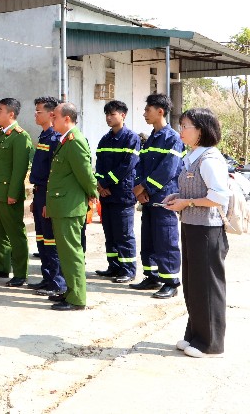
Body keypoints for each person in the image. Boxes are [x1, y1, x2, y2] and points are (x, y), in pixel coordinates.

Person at [162, 108, 229, 358]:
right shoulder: (192, 157)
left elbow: (219, 197)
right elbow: (197, 191)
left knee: (208, 286)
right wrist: (179, 197)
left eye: (185, 126)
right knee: (193, 285)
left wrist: (187, 203)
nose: (181, 130)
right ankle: (196, 335)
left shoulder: (210, 159)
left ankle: (211, 343)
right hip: (192, 226)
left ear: (200, 130)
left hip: (208, 230)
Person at [130, 94, 184, 299]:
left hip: (164, 197)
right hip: (148, 197)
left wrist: (144, 188)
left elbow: (168, 169)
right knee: (150, 237)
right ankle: (152, 276)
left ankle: (170, 281)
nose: (145, 114)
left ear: (160, 111)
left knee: (165, 237)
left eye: (147, 110)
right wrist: (140, 187)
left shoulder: (173, 138)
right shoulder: (151, 137)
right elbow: (140, 165)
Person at [45, 102, 98, 311]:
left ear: (67, 119)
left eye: (55, 117)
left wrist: (93, 193)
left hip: (69, 206)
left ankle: (77, 298)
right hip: (63, 205)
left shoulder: (75, 141)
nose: (52, 120)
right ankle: (70, 290)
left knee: (71, 252)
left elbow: (85, 173)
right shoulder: (66, 140)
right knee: (65, 253)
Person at [0, 98, 33, 286]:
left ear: (11, 114)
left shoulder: (20, 137)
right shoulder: (1, 135)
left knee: (15, 233)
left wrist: (13, 193)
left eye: (0, 110)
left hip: (8, 193)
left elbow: (19, 169)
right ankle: (2, 267)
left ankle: (20, 273)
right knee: (0, 232)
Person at [93, 100, 141, 284]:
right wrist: (99, 184)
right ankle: (113, 266)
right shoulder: (104, 139)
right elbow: (99, 165)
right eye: (107, 114)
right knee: (110, 232)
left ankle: (128, 269)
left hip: (122, 194)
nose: (109, 118)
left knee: (124, 234)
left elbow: (127, 166)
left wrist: (106, 183)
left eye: (112, 114)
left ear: (123, 115)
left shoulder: (131, 138)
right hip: (106, 195)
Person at [25, 96, 66, 295]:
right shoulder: (44, 136)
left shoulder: (54, 138)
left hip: (49, 196)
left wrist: (48, 201)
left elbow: (53, 174)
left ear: (51, 114)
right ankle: (47, 277)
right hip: (40, 194)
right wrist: (36, 198)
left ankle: (58, 283)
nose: (35, 114)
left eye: (38, 111)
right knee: (41, 240)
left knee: (51, 240)